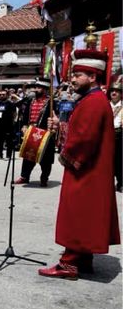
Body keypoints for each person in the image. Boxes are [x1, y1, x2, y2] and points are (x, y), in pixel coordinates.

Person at [39, 49, 120, 280]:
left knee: (76, 213)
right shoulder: (93, 100)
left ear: (93, 77)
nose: (72, 79)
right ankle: (83, 258)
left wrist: (67, 150)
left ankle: (69, 264)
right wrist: (62, 127)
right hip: (93, 170)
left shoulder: (93, 102)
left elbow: (83, 139)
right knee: (86, 214)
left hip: (85, 170)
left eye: (78, 75)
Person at [15, 78, 56, 187]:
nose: (35, 90)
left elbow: (55, 117)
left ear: (45, 89)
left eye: (38, 88)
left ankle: (44, 178)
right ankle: (25, 176)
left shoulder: (51, 102)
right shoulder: (30, 101)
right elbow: (25, 116)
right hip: (31, 131)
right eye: (35, 87)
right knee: (28, 155)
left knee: (45, 158)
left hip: (45, 133)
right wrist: (24, 125)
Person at [0, 90, 16, 160]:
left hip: (8, 124)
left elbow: (14, 113)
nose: (2, 96)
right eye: (0, 94)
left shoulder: (10, 103)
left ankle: (8, 155)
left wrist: (13, 121)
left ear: (7, 95)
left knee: (9, 141)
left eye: (3, 94)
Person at [109, 75, 122, 192]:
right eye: (112, 91)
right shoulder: (105, 105)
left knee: (119, 161)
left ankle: (120, 182)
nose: (114, 93)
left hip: (119, 136)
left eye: (117, 91)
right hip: (107, 136)